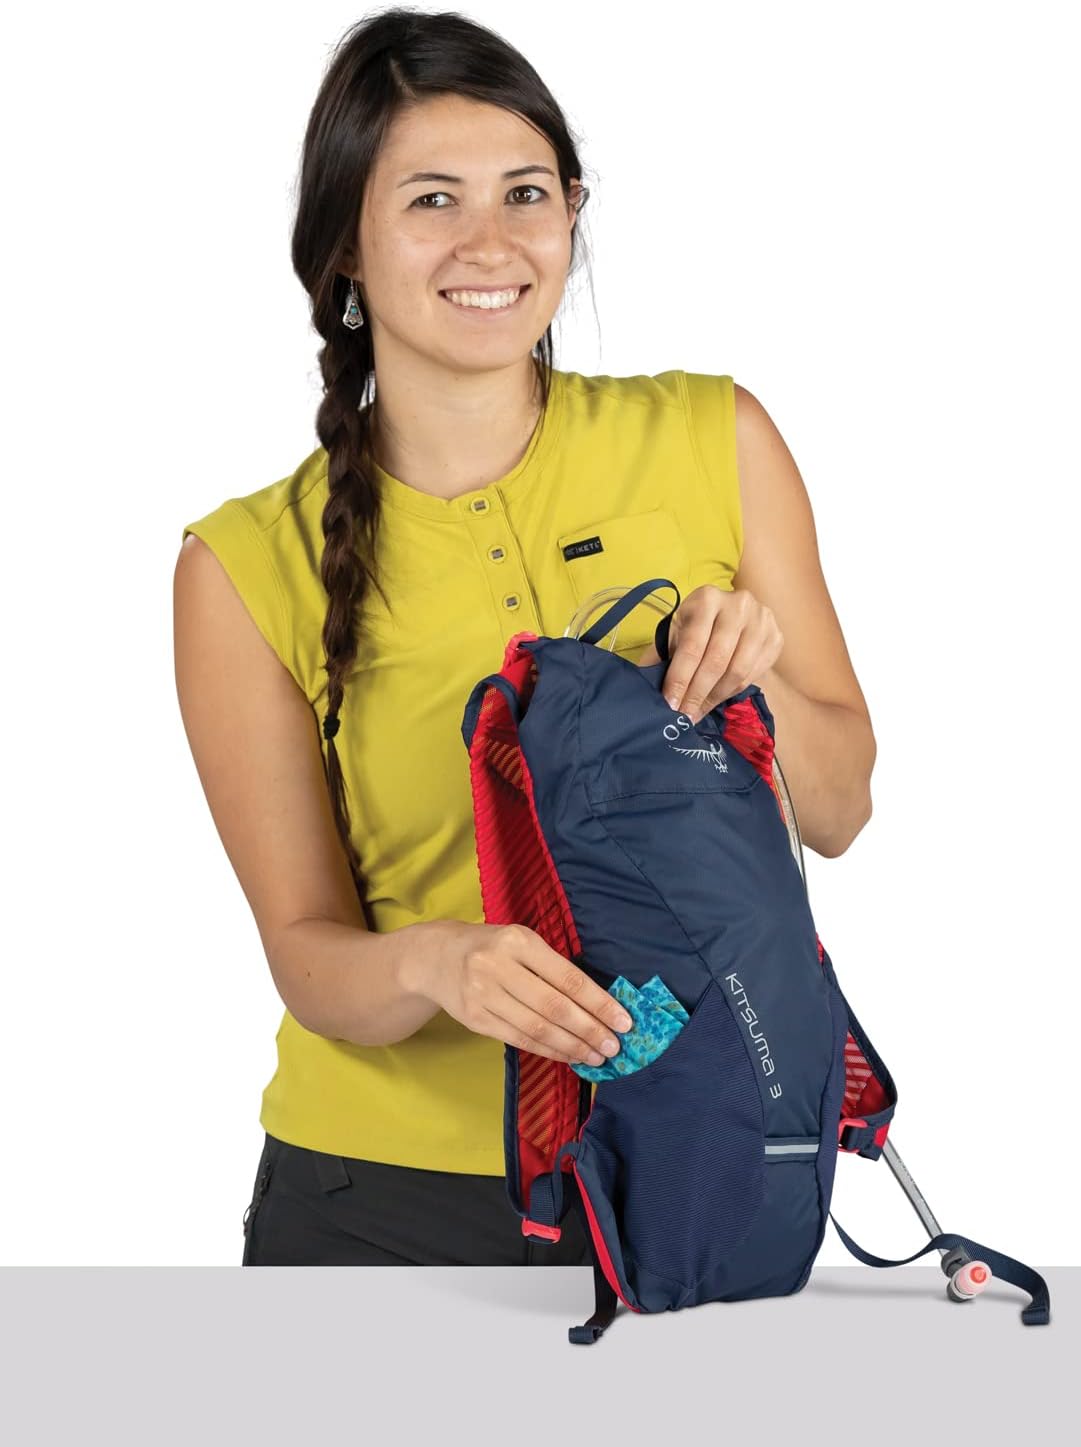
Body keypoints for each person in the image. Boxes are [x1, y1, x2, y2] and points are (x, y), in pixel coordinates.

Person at [173, 7, 876, 1267]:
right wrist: (438, 966)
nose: (490, 242)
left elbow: (842, 811)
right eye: (432, 200)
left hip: (699, 1161)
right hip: (380, 1204)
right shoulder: (242, 566)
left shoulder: (715, 440)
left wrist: (753, 681)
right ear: (344, 247)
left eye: (526, 193)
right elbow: (307, 957)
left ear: (572, 213)